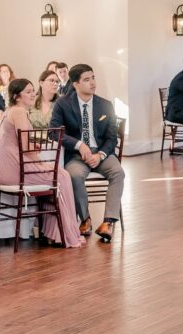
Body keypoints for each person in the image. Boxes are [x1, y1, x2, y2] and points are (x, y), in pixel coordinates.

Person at [0, 79, 82, 248]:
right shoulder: (19, 112)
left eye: (33, 90)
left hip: (5, 168)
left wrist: (33, 150)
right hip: (16, 171)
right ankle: (61, 233)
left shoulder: (9, 111)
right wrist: (40, 161)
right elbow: (26, 147)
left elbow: (6, 141)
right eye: (28, 91)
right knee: (62, 175)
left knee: (58, 174)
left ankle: (52, 232)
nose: (33, 94)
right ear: (16, 96)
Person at [50, 64, 126, 243]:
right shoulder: (63, 103)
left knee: (118, 172)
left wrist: (100, 154)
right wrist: (78, 145)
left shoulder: (105, 105)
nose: (92, 83)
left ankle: (108, 222)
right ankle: (85, 219)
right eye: (86, 79)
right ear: (75, 84)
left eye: (93, 78)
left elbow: (111, 138)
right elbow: (53, 132)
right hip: (76, 155)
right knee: (74, 176)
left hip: (100, 153)